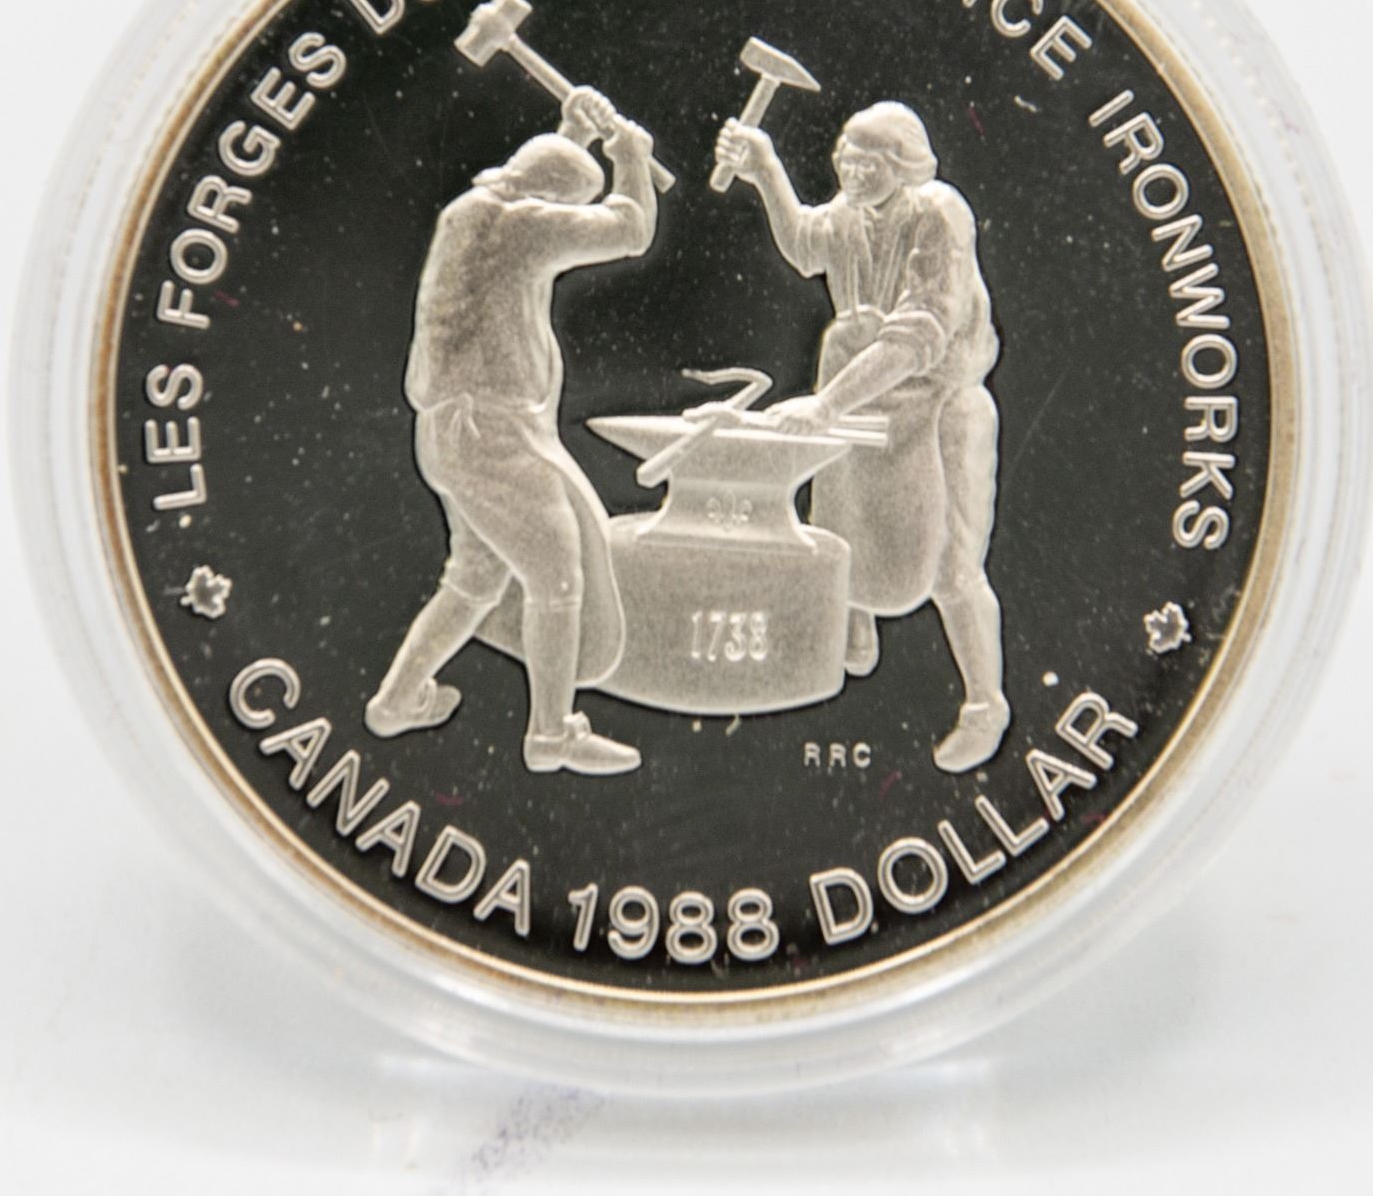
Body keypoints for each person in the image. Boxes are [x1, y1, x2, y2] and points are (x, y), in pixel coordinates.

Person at [366, 86, 657, 775]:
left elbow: (541, 188)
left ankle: (397, 700)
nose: (568, 221)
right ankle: (551, 735)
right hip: (496, 437)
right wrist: (632, 157)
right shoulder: (524, 227)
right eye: (568, 205)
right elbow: (630, 228)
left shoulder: (469, 213)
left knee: (475, 577)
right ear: (550, 200)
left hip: (449, 434)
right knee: (558, 578)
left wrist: (571, 136)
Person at [713, 101, 1011, 772]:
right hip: (859, 395)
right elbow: (805, 245)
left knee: (953, 565)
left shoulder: (937, 213)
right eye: (844, 155)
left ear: (900, 163)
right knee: (844, 525)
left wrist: (825, 405)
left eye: (866, 159)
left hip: (939, 407)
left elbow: (919, 335)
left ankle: (984, 706)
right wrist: (765, 169)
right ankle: (852, 642)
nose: (849, 168)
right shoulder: (851, 212)